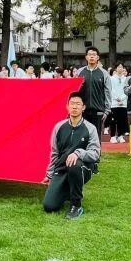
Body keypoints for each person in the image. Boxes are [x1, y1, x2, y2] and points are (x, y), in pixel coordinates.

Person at [42, 92, 101, 220]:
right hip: (62, 169)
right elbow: (55, 153)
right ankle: (69, 191)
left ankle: (76, 205)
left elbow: (95, 153)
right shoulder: (59, 127)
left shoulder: (90, 128)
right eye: (72, 103)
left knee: (74, 164)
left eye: (78, 104)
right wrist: (50, 174)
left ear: (83, 107)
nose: (74, 107)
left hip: (82, 168)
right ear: (67, 106)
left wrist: (78, 153)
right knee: (49, 206)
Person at [75, 47, 111, 134]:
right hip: (82, 110)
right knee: (82, 136)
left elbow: (108, 92)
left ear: (97, 57)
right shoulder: (79, 72)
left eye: (94, 55)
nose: (91, 57)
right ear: (86, 57)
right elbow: (74, 91)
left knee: (96, 136)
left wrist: (107, 111)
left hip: (98, 111)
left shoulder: (104, 73)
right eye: (90, 55)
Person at [109, 63, 130, 144]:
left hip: (123, 102)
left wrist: (122, 98)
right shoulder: (111, 79)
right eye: (118, 67)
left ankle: (120, 135)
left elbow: (127, 90)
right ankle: (113, 136)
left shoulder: (126, 79)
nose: (120, 68)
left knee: (122, 120)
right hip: (114, 102)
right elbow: (111, 89)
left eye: (121, 67)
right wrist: (117, 98)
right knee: (113, 120)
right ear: (116, 69)